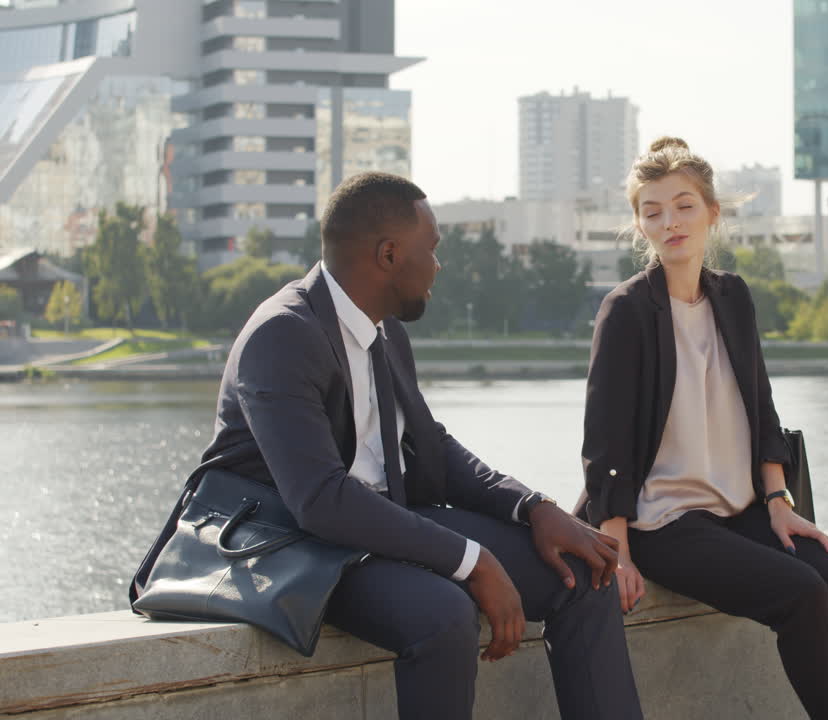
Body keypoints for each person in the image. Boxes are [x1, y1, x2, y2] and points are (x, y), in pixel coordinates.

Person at [177, 172, 644, 720]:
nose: (438, 266)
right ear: (390, 254)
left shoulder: (385, 329)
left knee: (583, 574)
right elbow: (321, 500)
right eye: (434, 249)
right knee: (443, 615)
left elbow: (431, 448)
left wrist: (532, 506)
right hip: (297, 544)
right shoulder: (281, 336)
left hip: (383, 521)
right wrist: (474, 562)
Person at [579, 138, 828, 719]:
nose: (670, 223)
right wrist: (618, 552)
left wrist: (778, 500)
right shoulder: (627, 311)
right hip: (663, 521)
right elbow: (604, 441)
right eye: (653, 210)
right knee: (802, 593)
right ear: (640, 224)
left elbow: (760, 406)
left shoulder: (733, 297)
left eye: (685, 205)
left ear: (712, 212)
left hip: (739, 513)